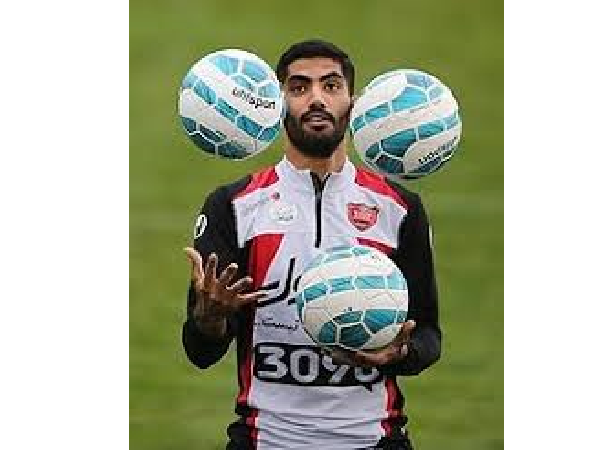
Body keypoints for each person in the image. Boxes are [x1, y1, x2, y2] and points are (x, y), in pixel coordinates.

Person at [182, 39, 441, 450]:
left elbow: (429, 336)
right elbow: (199, 351)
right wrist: (209, 320)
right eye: (299, 87)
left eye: (331, 86)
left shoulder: (400, 209)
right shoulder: (234, 206)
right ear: (278, 104)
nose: (317, 99)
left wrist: (399, 352)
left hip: (375, 439)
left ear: (352, 103)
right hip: (265, 440)